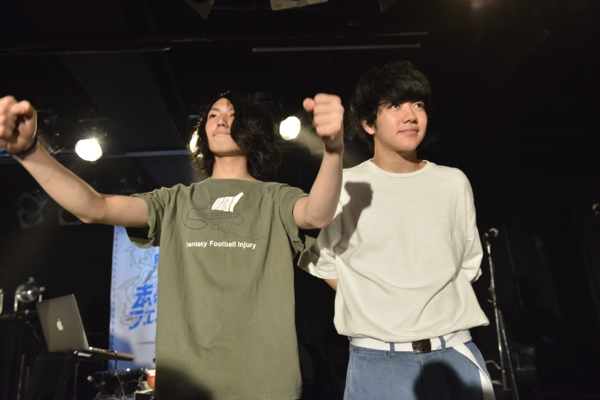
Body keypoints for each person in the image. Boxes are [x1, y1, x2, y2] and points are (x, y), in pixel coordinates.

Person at [0, 90, 344, 400]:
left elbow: (316, 214)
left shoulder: (276, 198)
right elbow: (95, 208)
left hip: (265, 382)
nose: (221, 120)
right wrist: (30, 152)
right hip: (185, 385)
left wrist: (332, 150)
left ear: (254, 130)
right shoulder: (174, 200)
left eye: (233, 114)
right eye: (213, 114)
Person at [298, 61, 495, 400]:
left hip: (454, 352)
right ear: (368, 123)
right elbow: (325, 264)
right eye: (394, 106)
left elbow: (467, 263)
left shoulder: (453, 182)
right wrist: (373, 305)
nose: (410, 116)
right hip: (378, 362)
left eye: (417, 105)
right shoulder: (347, 185)